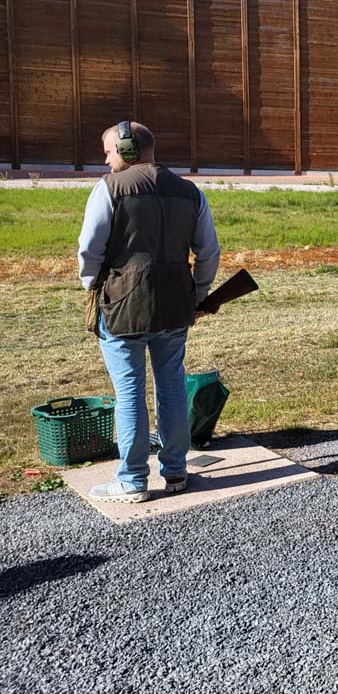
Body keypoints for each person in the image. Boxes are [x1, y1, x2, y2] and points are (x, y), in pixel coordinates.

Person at [78, 121, 220, 503]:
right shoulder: (190, 192)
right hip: (175, 305)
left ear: (126, 150)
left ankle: (131, 480)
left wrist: (92, 285)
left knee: (129, 392)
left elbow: (89, 250)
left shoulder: (108, 189)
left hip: (122, 306)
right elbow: (209, 252)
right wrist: (199, 293)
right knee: (171, 385)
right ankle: (175, 472)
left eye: (108, 151)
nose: (106, 159)